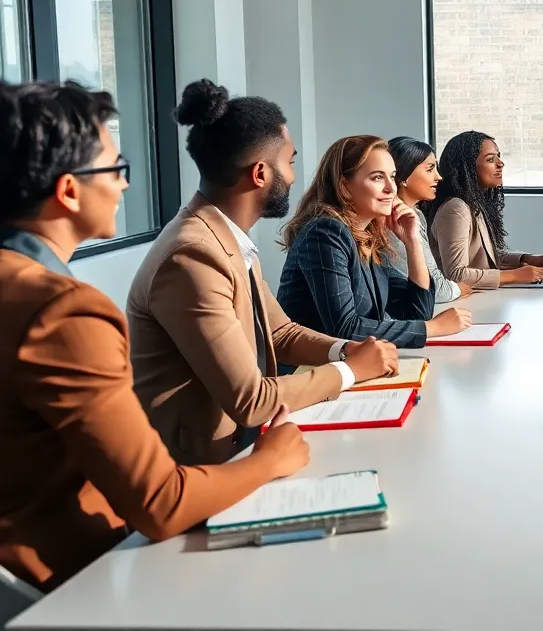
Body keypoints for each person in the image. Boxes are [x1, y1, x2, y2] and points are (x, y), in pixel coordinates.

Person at [0, 80, 309, 592]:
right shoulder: (62, 312)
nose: (124, 186)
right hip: (82, 582)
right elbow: (160, 505)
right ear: (69, 189)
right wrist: (270, 460)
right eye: (116, 169)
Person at [127, 80, 400, 465]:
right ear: (260, 173)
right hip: (202, 470)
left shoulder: (228, 238)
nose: (292, 176)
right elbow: (251, 401)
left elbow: (280, 332)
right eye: (289, 162)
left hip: (247, 446)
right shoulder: (192, 256)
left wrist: (344, 349)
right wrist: (348, 371)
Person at [277, 135, 471, 348]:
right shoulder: (326, 232)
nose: (391, 188)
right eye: (378, 177)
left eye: (392, 176)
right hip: (308, 372)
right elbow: (345, 328)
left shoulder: (366, 236)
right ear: (344, 186)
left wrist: (412, 242)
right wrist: (432, 328)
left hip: (351, 368)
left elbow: (417, 311)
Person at [427, 130, 543, 289]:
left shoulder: (474, 203)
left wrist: (527, 259)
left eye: (499, 156)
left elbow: (488, 257)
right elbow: (455, 275)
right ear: (468, 167)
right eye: (490, 159)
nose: (501, 163)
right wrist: (514, 275)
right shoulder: (455, 209)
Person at [385, 136, 470, 305]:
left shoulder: (416, 214)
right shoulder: (394, 222)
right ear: (403, 176)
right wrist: (459, 288)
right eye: (430, 169)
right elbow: (438, 290)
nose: (439, 177)